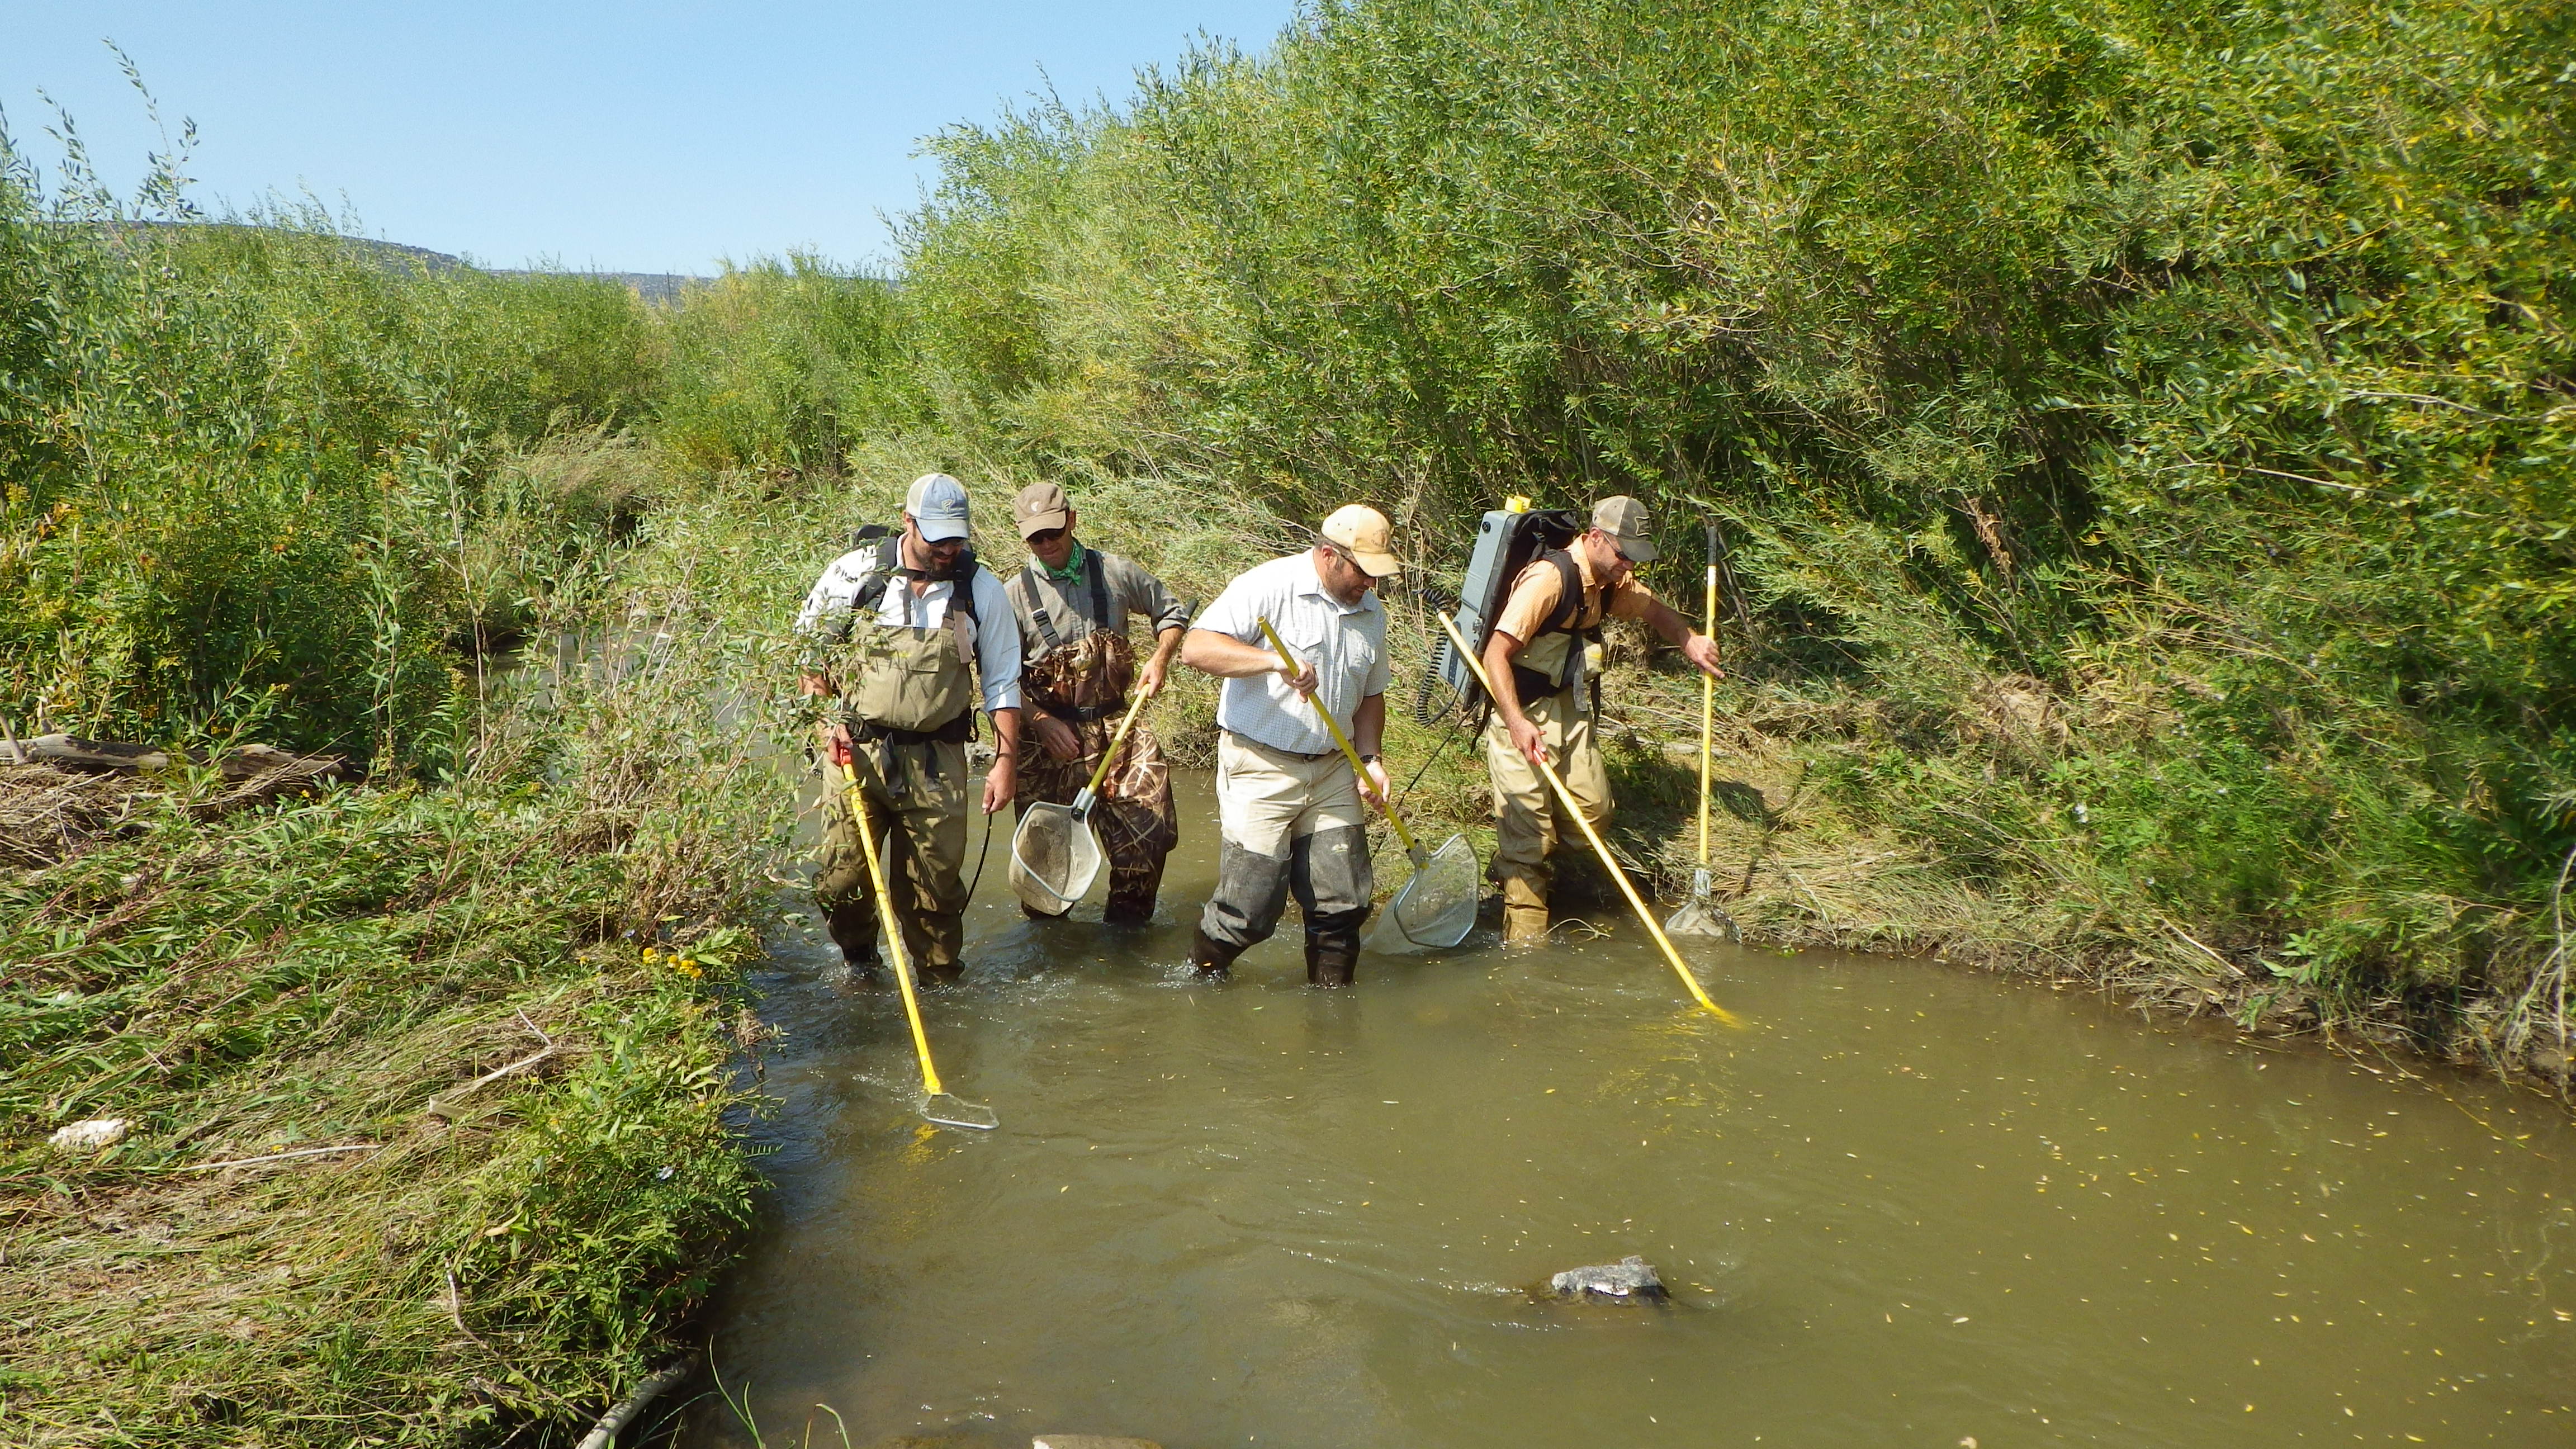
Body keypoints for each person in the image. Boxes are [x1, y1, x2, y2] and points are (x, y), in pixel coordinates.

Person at [796, 473, 1024, 980]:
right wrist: (825, 723)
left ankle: (940, 983)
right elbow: (809, 660)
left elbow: (1004, 682)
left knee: (935, 890)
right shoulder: (854, 574)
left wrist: (1005, 762)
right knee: (841, 883)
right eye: (937, 535)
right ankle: (859, 960)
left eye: (957, 537)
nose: (948, 547)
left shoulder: (980, 589)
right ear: (907, 521)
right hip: (853, 752)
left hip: (938, 761)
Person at [1481, 495, 1721, 943]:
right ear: (1594, 538)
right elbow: (1496, 652)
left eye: (1633, 558)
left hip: (1567, 708)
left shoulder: (1611, 579)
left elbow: (1655, 610)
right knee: (1528, 836)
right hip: (1521, 711)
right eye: (1622, 555)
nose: (1628, 567)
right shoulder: (1549, 580)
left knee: (1594, 813)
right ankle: (1525, 943)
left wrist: (1688, 640)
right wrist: (1515, 722)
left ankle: (1520, 860)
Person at [1180, 504, 1401, 986]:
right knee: (1249, 910)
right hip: (1261, 765)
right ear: (1328, 556)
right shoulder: (1267, 586)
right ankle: (1198, 980)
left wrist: (1371, 759)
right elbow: (1196, 648)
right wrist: (1271, 662)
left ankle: (1332, 1017)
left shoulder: (1371, 611)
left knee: (1344, 905)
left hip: (1334, 770)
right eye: (1364, 572)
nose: (1372, 584)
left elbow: (1371, 694)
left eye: (1378, 574)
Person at [1001, 482, 1194, 923]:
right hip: (1048, 739)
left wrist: (1160, 659)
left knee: (1148, 842)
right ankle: (1056, 954)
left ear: (1072, 519)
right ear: (1023, 536)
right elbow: (997, 679)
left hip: (1117, 729)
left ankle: (1125, 945)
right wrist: (1042, 721)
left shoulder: (1116, 572)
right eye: (1036, 537)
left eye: (1054, 532)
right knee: (1044, 876)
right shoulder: (1009, 596)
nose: (1047, 544)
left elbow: (1172, 613)